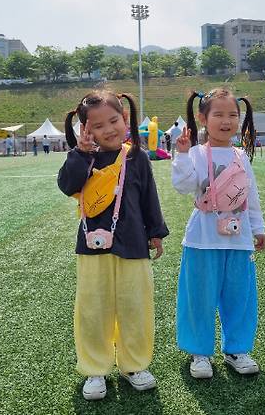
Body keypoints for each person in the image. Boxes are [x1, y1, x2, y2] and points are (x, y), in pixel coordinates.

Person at [57, 90, 169, 401]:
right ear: (86, 130)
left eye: (114, 120)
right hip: (92, 248)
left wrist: (156, 232)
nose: (109, 129)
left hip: (133, 245)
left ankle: (134, 365)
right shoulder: (81, 158)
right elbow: (67, 185)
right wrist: (79, 153)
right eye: (98, 125)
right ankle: (96, 369)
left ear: (125, 119)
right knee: (93, 309)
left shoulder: (136, 157)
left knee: (135, 307)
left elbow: (149, 197)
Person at [172, 88, 265, 380]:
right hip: (202, 240)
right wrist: (183, 154)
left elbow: (251, 197)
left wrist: (259, 227)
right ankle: (199, 353)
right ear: (203, 118)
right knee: (199, 297)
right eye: (218, 115)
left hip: (238, 242)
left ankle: (237, 349)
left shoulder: (241, 156)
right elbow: (184, 185)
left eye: (232, 115)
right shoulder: (197, 153)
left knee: (240, 296)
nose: (226, 121)